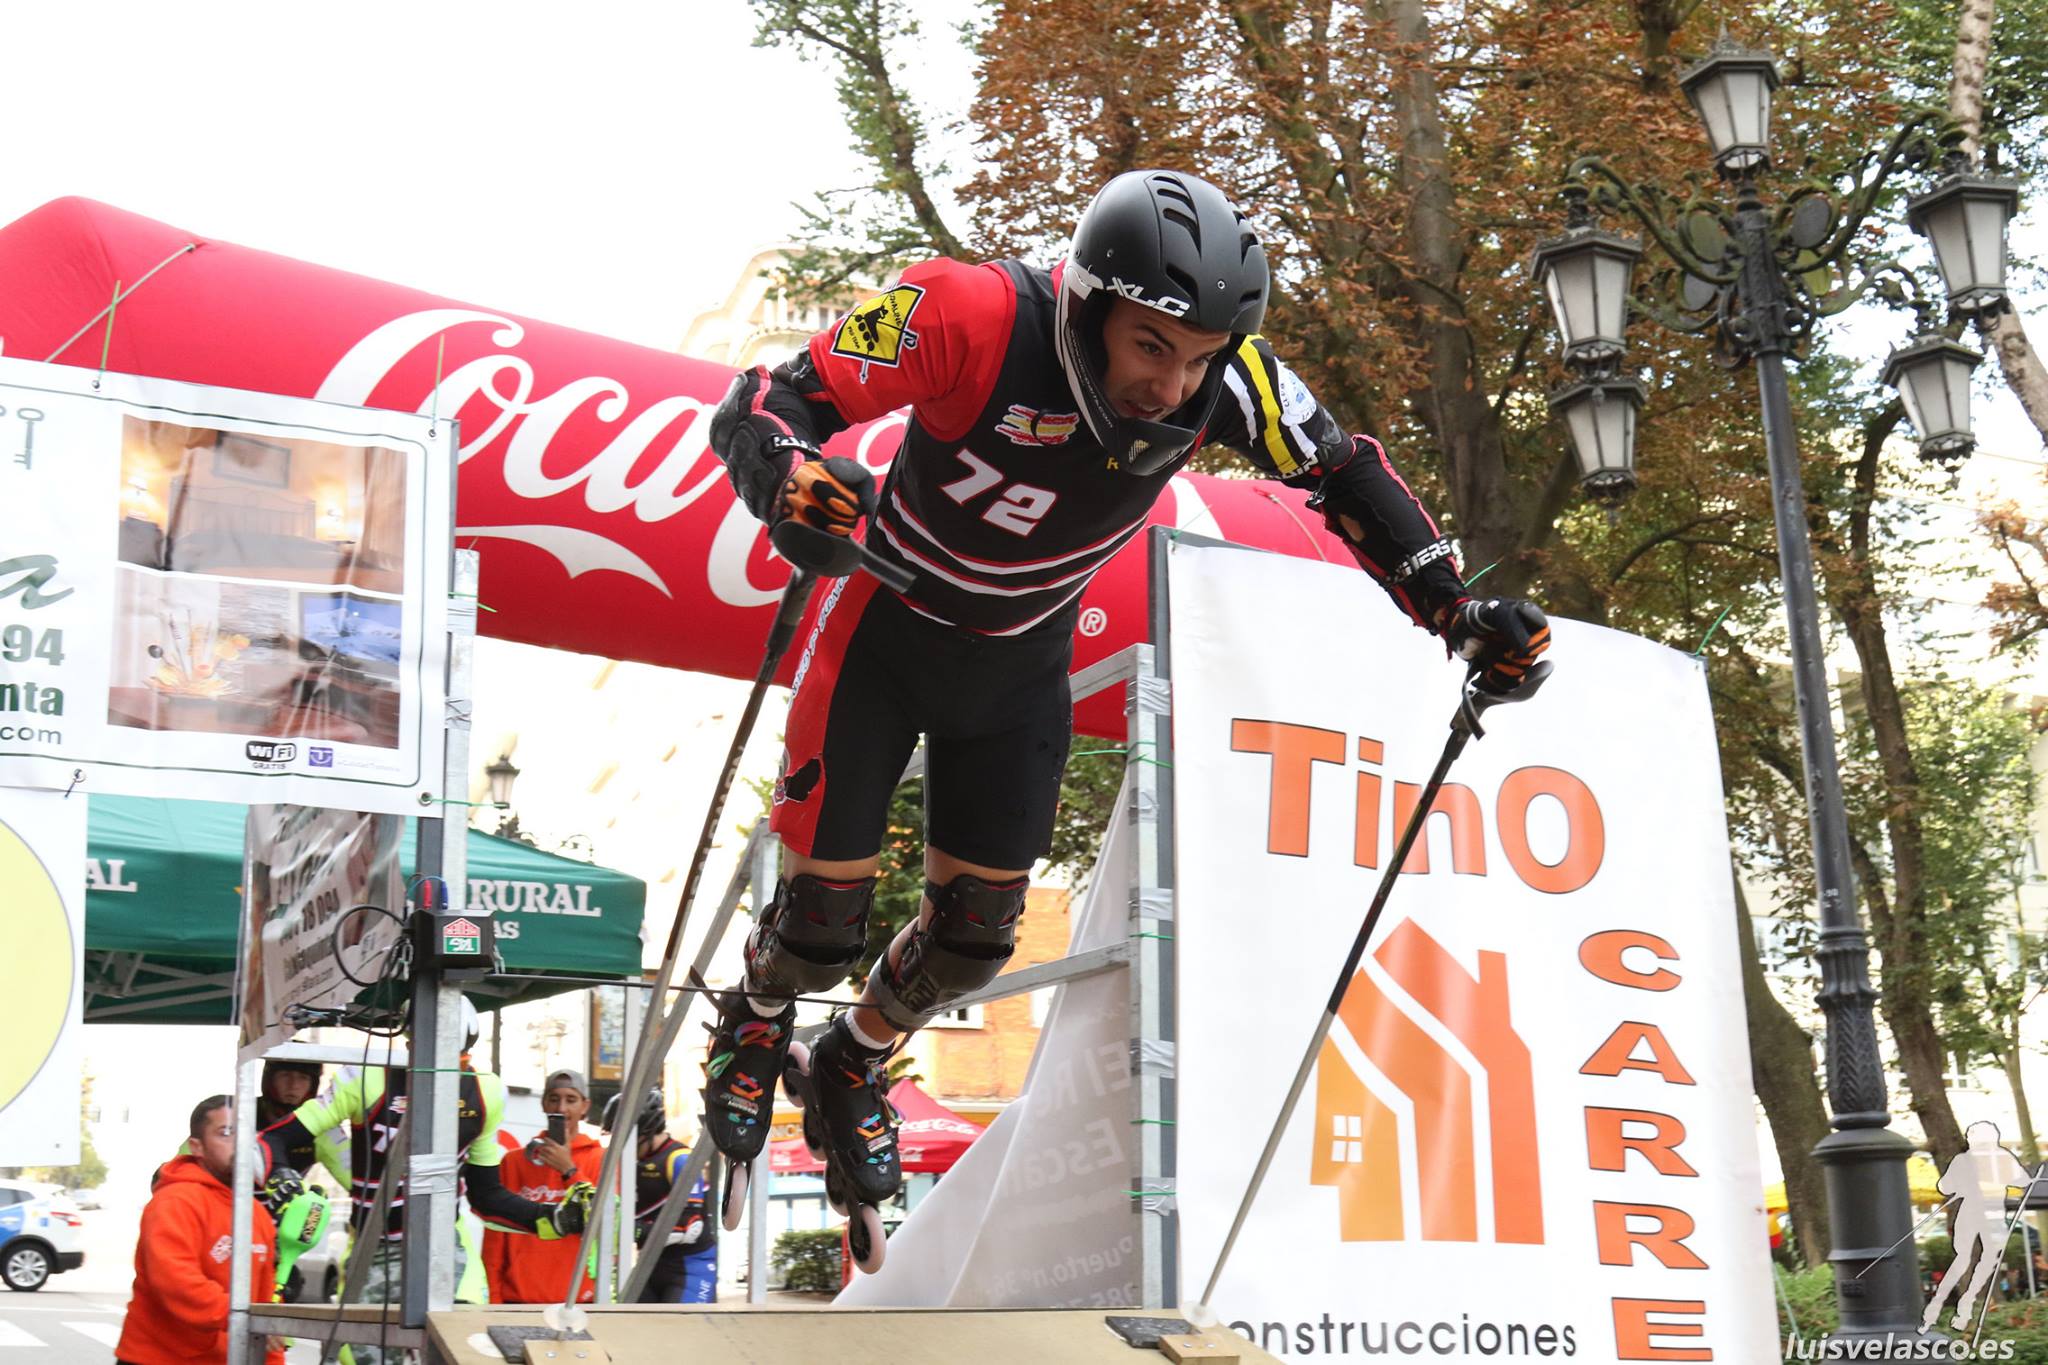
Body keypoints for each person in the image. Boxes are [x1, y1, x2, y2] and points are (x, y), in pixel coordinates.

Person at [699, 168, 1552, 1231]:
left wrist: (1453, 607)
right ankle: (755, 1018)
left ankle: (852, 1058)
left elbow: (1344, 473)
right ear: (1088, 303)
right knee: (820, 925)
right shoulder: (967, 310)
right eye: (1150, 346)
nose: (1170, 385)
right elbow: (768, 398)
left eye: (1197, 358)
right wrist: (787, 475)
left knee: (972, 943)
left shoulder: (1232, 379)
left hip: (1017, 670)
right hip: (883, 638)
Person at [256, 999, 591, 1364]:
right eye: (431, 1047)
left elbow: (486, 1194)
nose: (444, 1069)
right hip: (374, 1249)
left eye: (458, 1057)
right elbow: (273, 1139)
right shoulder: (366, 1078)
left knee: (464, 1353)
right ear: (411, 1039)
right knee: (359, 1358)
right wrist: (280, 1176)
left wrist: (550, 1219)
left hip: (444, 1249)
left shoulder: (486, 1092)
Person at [116, 1097, 291, 1365]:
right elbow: (176, 1283)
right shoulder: (174, 1201)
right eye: (225, 1133)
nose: (240, 1143)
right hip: (157, 1359)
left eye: (246, 1133)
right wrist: (245, 1317)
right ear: (197, 1146)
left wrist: (271, 1354)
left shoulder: (256, 1214)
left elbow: (265, 1302)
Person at [481, 1068, 606, 1304]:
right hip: (519, 1301)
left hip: (579, 1302)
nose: (561, 1108)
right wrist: (494, 1300)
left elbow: (604, 1222)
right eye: (554, 1099)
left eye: (571, 1100)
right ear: (543, 1104)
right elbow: (495, 1237)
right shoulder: (514, 1162)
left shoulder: (600, 1159)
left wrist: (569, 1170)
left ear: (585, 1106)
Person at [604, 1089, 718, 1303]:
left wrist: (634, 1230)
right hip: (649, 1266)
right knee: (628, 1322)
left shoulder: (679, 1159)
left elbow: (691, 1227)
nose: (619, 1145)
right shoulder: (632, 1163)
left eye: (623, 1137)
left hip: (690, 1269)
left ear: (645, 1130)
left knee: (680, 1324)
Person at [1925, 1121, 2038, 1331]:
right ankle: (1965, 1303)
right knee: (1986, 1258)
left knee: (1964, 1259)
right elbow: (2023, 1181)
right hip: (1991, 1215)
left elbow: (1944, 1186)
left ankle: (1948, 1306)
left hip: (1970, 1214)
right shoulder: (2002, 1157)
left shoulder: (1964, 1160)